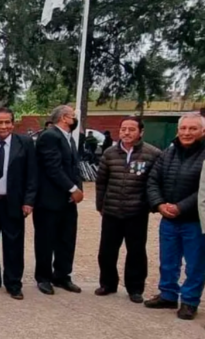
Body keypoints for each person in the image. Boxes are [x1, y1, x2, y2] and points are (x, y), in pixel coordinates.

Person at [95, 116, 161, 304]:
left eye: (131, 129)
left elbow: (154, 182)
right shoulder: (109, 153)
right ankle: (108, 284)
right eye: (123, 129)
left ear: (141, 132)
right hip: (111, 211)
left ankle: (135, 288)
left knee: (136, 251)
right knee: (107, 250)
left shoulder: (152, 154)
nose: (126, 132)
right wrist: (101, 205)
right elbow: (101, 182)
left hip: (137, 212)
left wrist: (149, 205)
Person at [147, 113, 205, 320]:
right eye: (183, 128)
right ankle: (168, 295)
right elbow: (153, 179)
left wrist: (180, 207)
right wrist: (159, 203)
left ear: (202, 131)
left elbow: (203, 191)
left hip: (195, 221)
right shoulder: (168, 153)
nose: (187, 133)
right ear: (178, 130)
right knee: (168, 261)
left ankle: (189, 301)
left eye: (193, 129)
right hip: (168, 219)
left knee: (195, 264)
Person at [0, 107, 38, 300]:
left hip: (12, 202)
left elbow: (32, 174)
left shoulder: (25, 143)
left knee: (13, 244)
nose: (4, 126)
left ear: (13, 124)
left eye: (7, 122)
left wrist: (29, 201)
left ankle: (13, 283)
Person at [33, 105, 84, 295]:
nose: (75, 119)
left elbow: (73, 167)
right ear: (64, 117)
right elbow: (53, 168)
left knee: (66, 240)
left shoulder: (68, 138)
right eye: (73, 116)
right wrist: (72, 188)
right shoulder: (50, 136)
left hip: (68, 201)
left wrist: (78, 189)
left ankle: (62, 275)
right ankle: (44, 277)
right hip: (49, 200)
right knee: (46, 240)